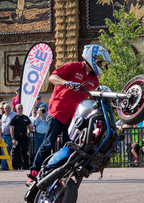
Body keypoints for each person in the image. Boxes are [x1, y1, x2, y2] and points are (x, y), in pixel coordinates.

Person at [29, 44, 111, 183]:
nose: (101, 64)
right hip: (58, 112)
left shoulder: (94, 78)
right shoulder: (72, 66)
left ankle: (57, 175)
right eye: (99, 61)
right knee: (48, 143)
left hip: (74, 118)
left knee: (68, 148)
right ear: (92, 57)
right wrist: (66, 82)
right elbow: (52, 78)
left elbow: (95, 97)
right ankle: (34, 173)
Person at [10, 104, 33, 170]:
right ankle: (15, 166)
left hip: (24, 136)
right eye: (19, 108)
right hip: (16, 136)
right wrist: (13, 138)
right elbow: (11, 129)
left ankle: (25, 166)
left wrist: (28, 131)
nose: (20, 109)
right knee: (15, 152)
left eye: (21, 108)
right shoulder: (14, 118)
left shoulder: (25, 117)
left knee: (24, 151)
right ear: (16, 109)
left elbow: (30, 125)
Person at [0, 104, 17, 170]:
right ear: (3, 109)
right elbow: (1, 125)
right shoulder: (3, 116)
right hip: (4, 136)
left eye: (8, 108)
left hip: (10, 136)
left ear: (10, 108)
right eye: (5, 108)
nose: (7, 109)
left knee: (6, 151)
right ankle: (6, 166)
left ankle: (3, 166)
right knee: (3, 151)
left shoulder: (14, 114)